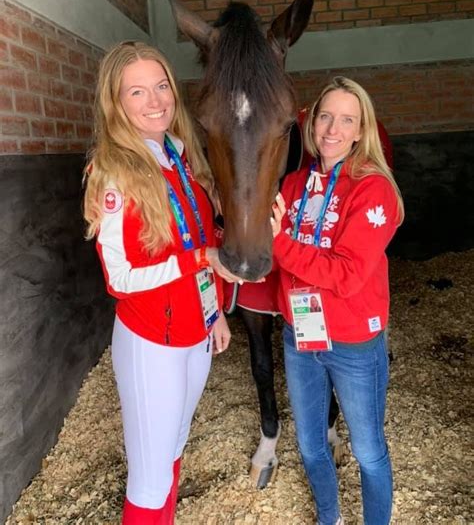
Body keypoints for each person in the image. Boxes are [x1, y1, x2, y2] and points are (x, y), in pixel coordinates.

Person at [83, 41, 240, 525]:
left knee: (173, 446)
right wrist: (200, 258)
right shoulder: (113, 172)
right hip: (152, 339)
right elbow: (121, 278)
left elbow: (195, 233)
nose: (156, 101)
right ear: (116, 103)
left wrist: (213, 313)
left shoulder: (176, 153)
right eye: (137, 92)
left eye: (162, 86)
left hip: (194, 333)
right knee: (149, 480)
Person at [270, 76, 404, 525]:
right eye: (325, 116)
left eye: (347, 119)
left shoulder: (373, 189)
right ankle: (330, 518)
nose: (333, 128)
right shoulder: (292, 185)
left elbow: (346, 274)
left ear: (362, 130)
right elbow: (266, 252)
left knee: (368, 450)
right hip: (300, 336)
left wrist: (279, 244)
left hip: (353, 343)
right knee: (310, 444)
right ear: (311, 124)